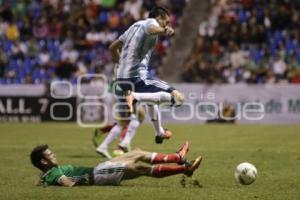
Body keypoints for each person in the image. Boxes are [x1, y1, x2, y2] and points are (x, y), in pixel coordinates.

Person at [109, 6, 185, 144]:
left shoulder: (134, 26)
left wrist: (120, 63)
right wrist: (164, 30)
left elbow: (112, 47)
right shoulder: (151, 23)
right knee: (178, 98)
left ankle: (159, 132)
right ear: (158, 18)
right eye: (166, 22)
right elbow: (151, 28)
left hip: (122, 78)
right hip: (137, 77)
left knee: (152, 101)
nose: (167, 25)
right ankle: (135, 97)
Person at [30, 142, 203, 187]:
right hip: (96, 176)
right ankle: (185, 169)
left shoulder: (48, 173)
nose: (54, 154)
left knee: (137, 152)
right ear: (44, 161)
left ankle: (178, 157)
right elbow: (67, 183)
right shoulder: (53, 174)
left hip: (98, 168)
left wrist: (42, 181)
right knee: (138, 168)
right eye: (50, 154)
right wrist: (82, 180)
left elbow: (41, 180)